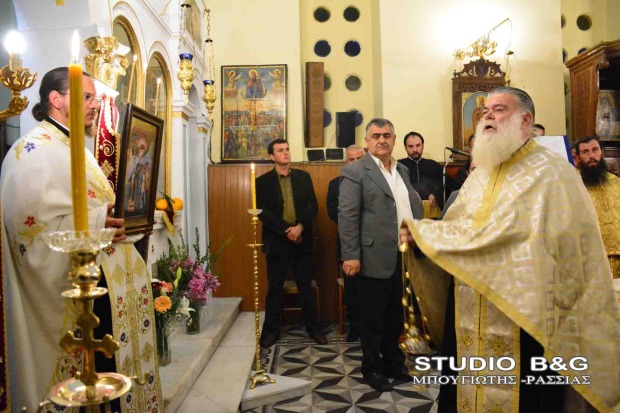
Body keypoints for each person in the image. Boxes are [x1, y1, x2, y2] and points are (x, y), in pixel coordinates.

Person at [399, 87, 618, 412]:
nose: (487, 116)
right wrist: (424, 238)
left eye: (499, 109)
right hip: (471, 313)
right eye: (485, 110)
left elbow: (556, 248)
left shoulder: (554, 173)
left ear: (525, 120)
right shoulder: (480, 176)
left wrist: (433, 236)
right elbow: (461, 230)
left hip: (525, 316)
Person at [0, 67, 163, 411]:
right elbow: (29, 229)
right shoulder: (31, 150)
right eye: (86, 96)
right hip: (71, 289)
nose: (95, 104)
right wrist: (99, 220)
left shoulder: (74, 148)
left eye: (94, 97)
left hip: (103, 278)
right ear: (56, 99)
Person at [338, 118, 423, 392]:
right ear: (367, 141)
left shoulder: (402, 170)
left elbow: (410, 204)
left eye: (387, 135)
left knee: (395, 316)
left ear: (394, 139)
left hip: (402, 255)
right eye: (376, 136)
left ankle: (394, 364)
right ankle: (372, 369)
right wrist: (350, 255)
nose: (382, 140)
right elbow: (347, 216)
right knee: (372, 319)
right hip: (371, 256)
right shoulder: (355, 171)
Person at [256, 139, 326, 348]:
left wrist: (300, 227)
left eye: (287, 149)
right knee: (274, 288)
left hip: (302, 240)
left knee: (306, 287)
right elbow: (263, 212)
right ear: (272, 156)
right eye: (280, 150)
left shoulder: (304, 178)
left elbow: (312, 206)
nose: (286, 153)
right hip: (277, 241)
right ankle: (271, 331)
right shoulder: (262, 182)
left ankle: (314, 329)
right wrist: (287, 230)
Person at [326, 144, 365, 342]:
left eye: (359, 158)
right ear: (346, 162)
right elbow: (334, 212)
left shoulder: (374, 180)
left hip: (373, 244)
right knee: (352, 289)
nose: (355, 162)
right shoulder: (335, 184)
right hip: (348, 242)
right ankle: (355, 328)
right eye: (352, 159)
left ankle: (371, 328)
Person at [576, 136, 620, 279]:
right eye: (585, 152)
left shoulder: (617, 182)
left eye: (595, 150)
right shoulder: (574, 185)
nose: (591, 156)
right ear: (578, 157)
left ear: (602, 152)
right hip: (593, 258)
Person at [398, 132, 447, 215]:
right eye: (411, 146)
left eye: (418, 145)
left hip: (432, 212)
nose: (415, 150)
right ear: (405, 148)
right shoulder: (399, 166)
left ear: (423, 146)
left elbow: (443, 184)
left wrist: (435, 194)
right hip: (407, 211)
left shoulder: (433, 165)